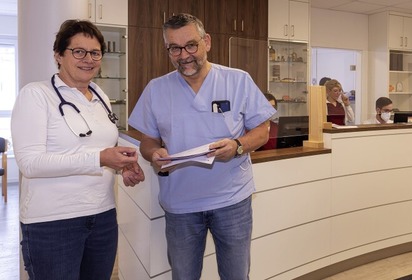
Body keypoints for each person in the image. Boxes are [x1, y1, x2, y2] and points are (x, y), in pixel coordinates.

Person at [128, 13, 275, 279]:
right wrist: (153, 154)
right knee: (184, 276)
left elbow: (263, 130)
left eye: (191, 45)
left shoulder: (237, 80)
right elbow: (147, 140)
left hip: (232, 201)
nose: (184, 55)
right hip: (181, 205)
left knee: (236, 275)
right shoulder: (156, 89)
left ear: (206, 42)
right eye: (174, 48)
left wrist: (237, 145)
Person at [11, 19, 145, 279]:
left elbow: (103, 147)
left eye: (95, 53)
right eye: (79, 51)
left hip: (102, 216)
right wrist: (99, 159)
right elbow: (30, 163)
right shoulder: (36, 95)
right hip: (53, 223)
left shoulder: (100, 96)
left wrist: (122, 167)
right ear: (59, 55)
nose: (89, 59)